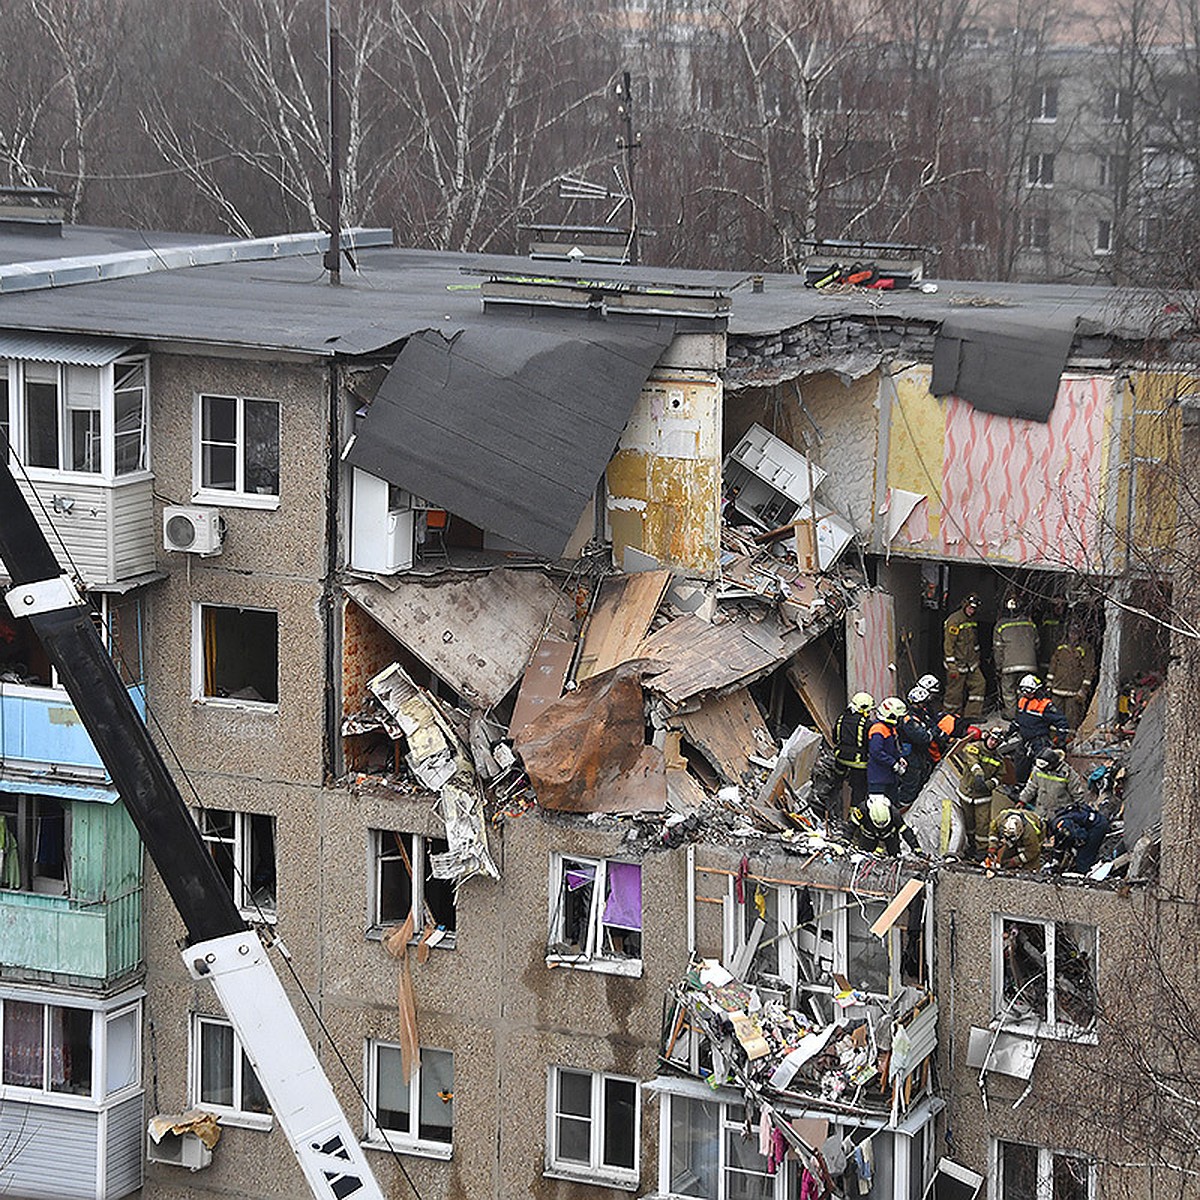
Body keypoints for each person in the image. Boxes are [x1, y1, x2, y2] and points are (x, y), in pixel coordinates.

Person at [957, 725, 1008, 856]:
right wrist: (978, 774)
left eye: (996, 742)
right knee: (969, 824)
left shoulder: (999, 760)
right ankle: (971, 845)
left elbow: (1000, 777)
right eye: (992, 739)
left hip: (983, 798)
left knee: (983, 826)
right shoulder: (974, 747)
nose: (993, 743)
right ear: (987, 737)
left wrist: (989, 785)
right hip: (967, 793)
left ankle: (981, 851)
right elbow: (972, 761)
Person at [1013, 674, 1070, 782]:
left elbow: (1061, 722)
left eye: (1029, 691)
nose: (1026, 694)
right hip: (1025, 741)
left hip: (1039, 742)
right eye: (1023, 691)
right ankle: (1020, 787)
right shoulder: (1022, 701)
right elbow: (1018, 720)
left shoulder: (1045, 705)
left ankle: (1038, 791)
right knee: (1020, 765)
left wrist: (1061, 740)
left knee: (1041, 768)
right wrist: (1009, 732)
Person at [994, 597, 1039, 718]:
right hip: (1030, 664)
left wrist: (998, 667)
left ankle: (1011, 714)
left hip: (1009, 665)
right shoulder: (1030, 623)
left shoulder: (1000, 625)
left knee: (1009, 691)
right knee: (1025, 690)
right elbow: (1037, 644)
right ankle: (1025, 714)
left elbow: (998, 649)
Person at [832, 692, 874, 818]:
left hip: (840, 759)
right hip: (858, 763)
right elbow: (869, 745)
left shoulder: (841, 719)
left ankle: (831, 807)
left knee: (836, 783)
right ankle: (854, 819)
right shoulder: (866, 724)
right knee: (859, 791)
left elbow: (835, 738)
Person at [1047, 624, 1096, 729]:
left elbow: (1089, 670)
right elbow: (1053, 665)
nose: (1073, 636)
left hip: (1074, 691)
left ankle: (1069, 740)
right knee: (1054, 717)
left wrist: (1083, 689)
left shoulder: (1085, 649)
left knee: (1071, 719)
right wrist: (1049, 683)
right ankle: (1054, 739)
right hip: (1057, 689)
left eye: (1076, 633)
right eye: (1071, 633)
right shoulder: (1061, 647)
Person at [943, 594, 985, 717]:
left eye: (974, 609)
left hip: (971, 663)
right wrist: (952, 666)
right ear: (965, 605)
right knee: (954, 692)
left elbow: (974, 643)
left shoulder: (972, 620)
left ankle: (972, 715)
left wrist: (977, 659)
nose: (972, 611)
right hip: (957, 664)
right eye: (970, 608)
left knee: (980, 684)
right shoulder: (954, 620)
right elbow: (948, 645)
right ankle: (950, 716)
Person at [1018, 747, 1086, 820]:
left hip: (1062, 813)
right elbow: (1031, 787)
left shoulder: (1067, 774)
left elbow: (1077, 794)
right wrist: (1022, 800)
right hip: (1041, 812)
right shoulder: (1038, 770)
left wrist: (1082, 809)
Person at [1046, 803, 1111, 874]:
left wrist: (1071, 844)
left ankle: (1083, 875)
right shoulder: (1059, 819)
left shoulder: (1061, 824)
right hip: (1096, 820)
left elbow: (1080, 836)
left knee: (1083, 858)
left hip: (1098, 826)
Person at [867, 697, 908, 803]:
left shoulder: (890, 728)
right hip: (878, 777)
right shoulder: (878, 730)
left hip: (889, 776)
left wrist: (899, 758)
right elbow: (876, 752)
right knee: (878, 807)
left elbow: (892, 748)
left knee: (892, 805)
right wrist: (893, 763)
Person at [849, 794, 918, 856]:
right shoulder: (862, 810)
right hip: (869, 835)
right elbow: (851, 826)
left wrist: (916, 848)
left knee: (894, 856)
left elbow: (905, 830)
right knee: (864, 854)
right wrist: (844, 840)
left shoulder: (894, 813)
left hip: (890, 836)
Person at [1038, 596, 1067, 678]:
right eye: (1056, 605)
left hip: (1062, 663)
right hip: (1045, 659)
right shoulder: (1045, 619)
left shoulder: (1068, 620)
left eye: (1061, 605)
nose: (1058, 608)